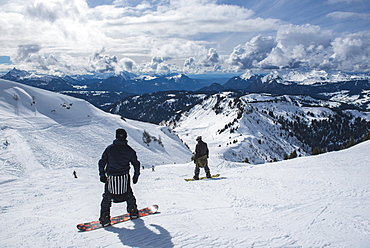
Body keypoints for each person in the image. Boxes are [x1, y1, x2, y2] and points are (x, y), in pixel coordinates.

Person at [98, 128, 141, 226]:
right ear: (126, 137)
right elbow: (136, 164)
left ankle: (105, 218)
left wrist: (102, 174)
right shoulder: (129, 150)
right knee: (129, 194)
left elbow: (102, 162)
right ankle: (133, 211)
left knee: (106, 198)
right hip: (124, 178)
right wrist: (136, 175)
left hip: (111, 178)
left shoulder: (110, 149)